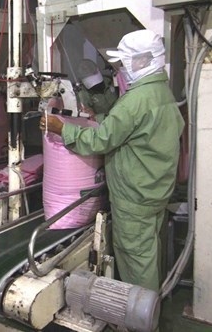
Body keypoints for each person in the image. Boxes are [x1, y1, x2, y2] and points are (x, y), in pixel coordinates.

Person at [40, 29, 184, 292]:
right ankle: (153, 305)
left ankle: (140, 322)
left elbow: (100, 141)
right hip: (156, 190)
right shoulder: (162, 93)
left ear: (141, 61)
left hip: (134, 199)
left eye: (124, 62)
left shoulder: (135, 101)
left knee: (135, 261)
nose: (121, 68)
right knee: (150, 252)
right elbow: (133, 128)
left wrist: (63, 129)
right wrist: (98, 120)